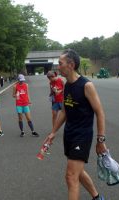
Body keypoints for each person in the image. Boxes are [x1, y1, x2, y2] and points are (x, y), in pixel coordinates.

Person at [43, 49, 107, 200]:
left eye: (60, 63)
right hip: (69, 134)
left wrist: (101, 140)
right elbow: (64, 112)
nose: (58, 67)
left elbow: (100, 113)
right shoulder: (67, 86)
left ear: (71, 65)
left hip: (82, 135)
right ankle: (97, 197)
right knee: (77, 171)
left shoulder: (87, 86)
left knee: (71, 176)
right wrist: (53, 133)